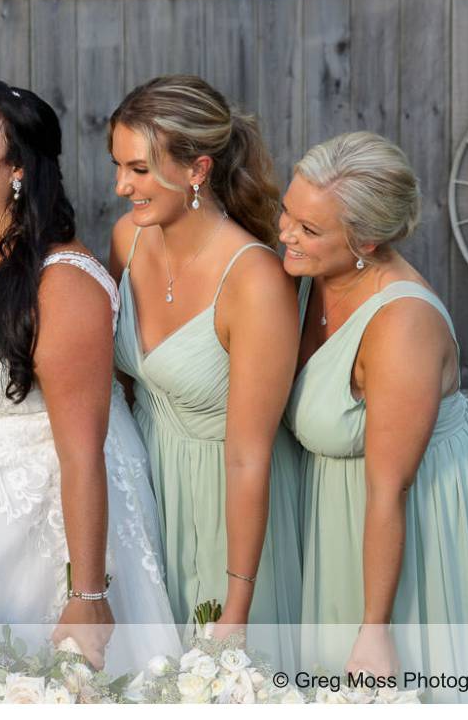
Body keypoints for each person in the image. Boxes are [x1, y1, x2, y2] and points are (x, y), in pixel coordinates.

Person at [0, 79, 180, 679]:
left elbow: (83, 452)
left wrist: (88, 594)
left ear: (17, 167)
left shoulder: (61, 282)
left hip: (31, 539)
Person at [279, 131, 468, 701]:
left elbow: (390, 489)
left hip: (412, 517)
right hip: (346, 507)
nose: (285, 233)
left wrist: (374, 629)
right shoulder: (309, 274)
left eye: (309, 229)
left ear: (366, 240)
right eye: (287, 212)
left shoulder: (402, 326)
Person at [108, 75, 303, 672]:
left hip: (226, 505)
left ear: (197, 169)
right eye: (119, 166)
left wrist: (238, 606)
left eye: (138, 170)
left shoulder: (255, 280)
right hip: (144, 487)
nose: (121, 187)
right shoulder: (128, 240)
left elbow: (250, 455)